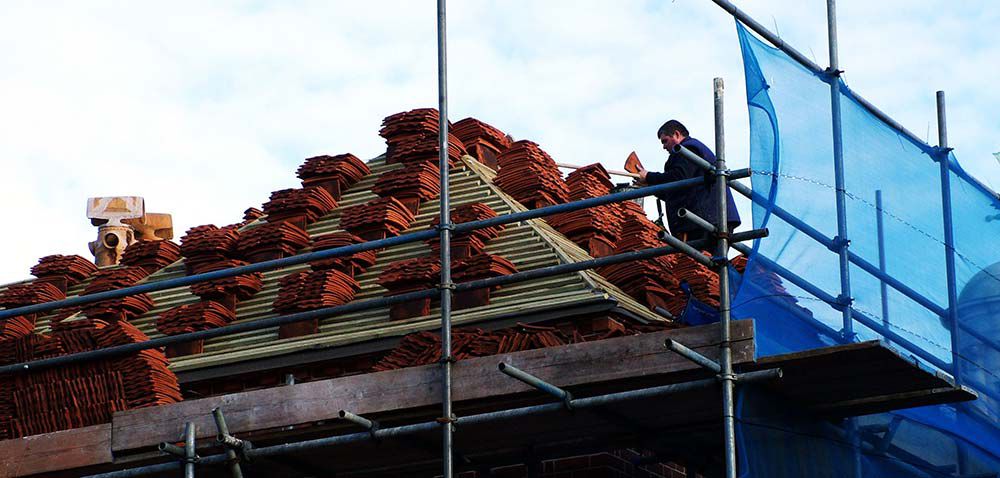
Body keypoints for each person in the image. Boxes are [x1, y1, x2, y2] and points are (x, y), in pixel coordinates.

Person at [636, 119, 741, 242]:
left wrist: (648, 176)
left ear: (676, 134)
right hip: (710, 218)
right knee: (708, 258)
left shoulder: (688, 148)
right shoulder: (691, 149)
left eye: (665, 141)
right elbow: (677, 191)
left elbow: (679, 177)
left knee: (703, 257)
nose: (664, 147)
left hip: (706, 219)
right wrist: (650, 185)